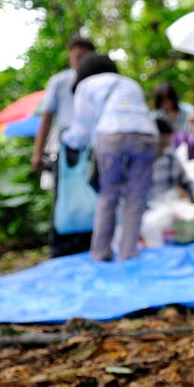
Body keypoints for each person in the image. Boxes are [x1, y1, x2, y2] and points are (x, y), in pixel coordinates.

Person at [62, 53, 159, 262]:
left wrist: (67, 140)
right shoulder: (130, 83)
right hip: (146, 135)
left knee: (108, 194)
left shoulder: (86, 85)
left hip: (111, 134)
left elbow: (82, 128)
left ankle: (101, 252)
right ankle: (128, 253)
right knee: (136, 197)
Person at [32, 36, 96, 257]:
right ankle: (61, 250)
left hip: (93, 149)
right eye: (77, 57)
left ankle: (94, 244)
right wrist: (37, 152)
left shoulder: (98, 82)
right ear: (70, 59)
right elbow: (47, 117)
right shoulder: (59, 81)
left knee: (95, 194)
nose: (81, 61)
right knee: (64, 195)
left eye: (86, 57)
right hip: (66, 150)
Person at [140, 118, 194, 248]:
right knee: (149, 225)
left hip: (173, 204)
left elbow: (187, 182)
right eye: (161, 143)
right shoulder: (139, 161)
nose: (163, 147)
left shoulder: (171, 158)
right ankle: (158, 256)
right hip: (151, 209)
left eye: (166, 143)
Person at [150, 82, 194, 158]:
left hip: (189, 153)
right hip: (164, 154)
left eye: (168, 99)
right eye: (162, 100)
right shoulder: (156, 115)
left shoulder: (189, 111)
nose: (166, 103)